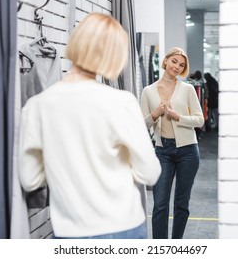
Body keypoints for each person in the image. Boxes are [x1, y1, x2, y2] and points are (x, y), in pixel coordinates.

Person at [18, 13, 161, 239]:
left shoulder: (36, 107)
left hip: (70, 233)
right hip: (123, 228)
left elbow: (29, 178)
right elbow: (150, 173)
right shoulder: (121, 103)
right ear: (114, 56)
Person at [140, 47, 204, 239]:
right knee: (160, 204)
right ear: (166, 61)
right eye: (174, 61)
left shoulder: (188, 89)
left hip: (188, 151)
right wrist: (154, 115)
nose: (177, 67)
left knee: (182, 203)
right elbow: (141, 124)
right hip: (162, 152)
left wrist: (178, 117)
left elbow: (200, 119)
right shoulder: (148, 91)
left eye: (182, 65)